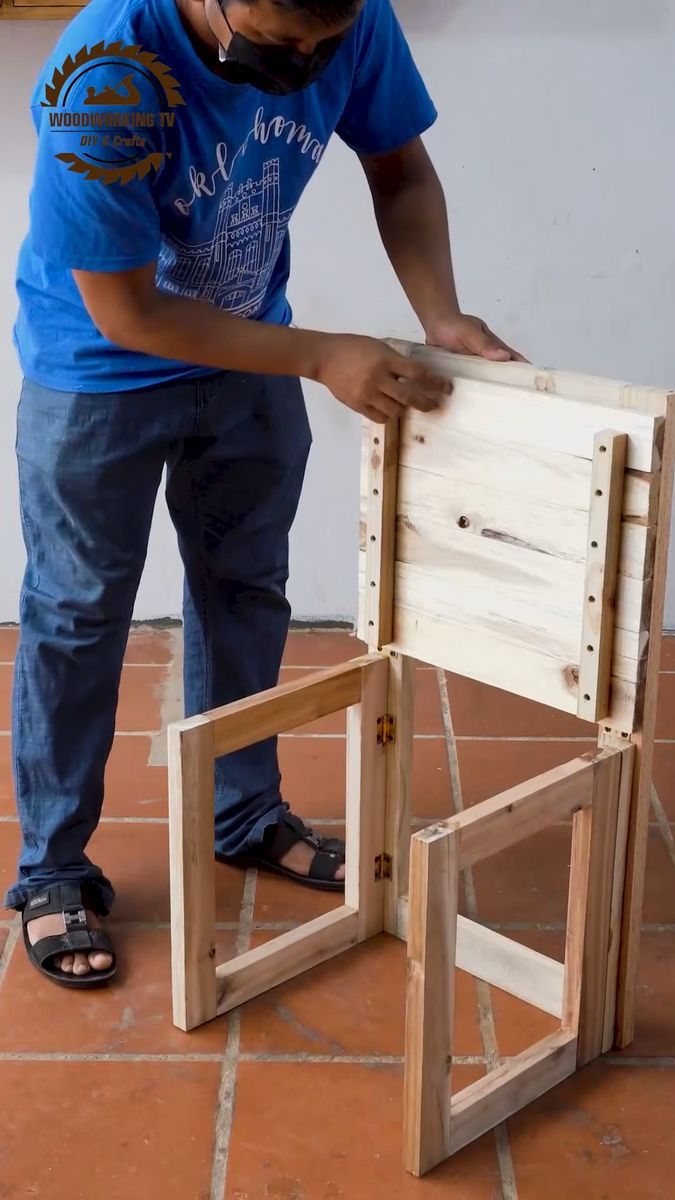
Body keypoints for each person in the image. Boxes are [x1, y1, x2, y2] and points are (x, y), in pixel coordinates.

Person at [9, 0, 524, 988]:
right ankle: (53, 872)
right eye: (283, 40)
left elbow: (401, 168)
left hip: (246, 350)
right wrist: (321, 354)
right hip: (98, 376)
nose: (306, 63)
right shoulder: (105, 76)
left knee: (247, 587)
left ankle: (240, 815)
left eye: (324, 47)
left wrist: (441, 313)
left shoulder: (349, 16)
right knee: (77, 616)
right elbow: (124, 311)